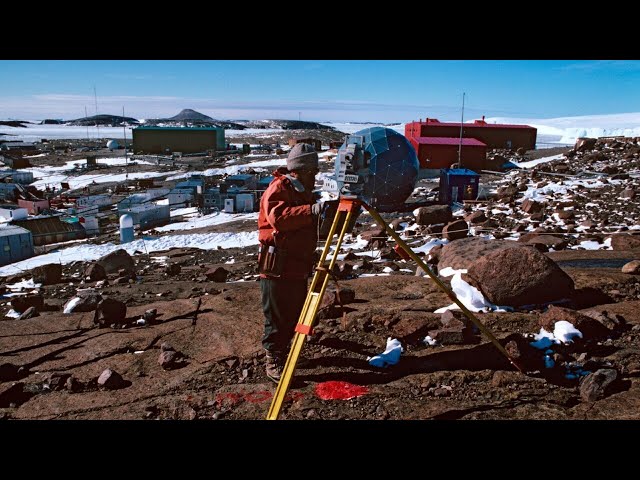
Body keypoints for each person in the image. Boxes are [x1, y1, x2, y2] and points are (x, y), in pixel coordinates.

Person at [258, 143, 324, 382]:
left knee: (295, 312)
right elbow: (279, 219)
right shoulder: (280, 187)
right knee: (277, 315)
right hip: (277, 265)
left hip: (296, 264)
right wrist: (311, 210)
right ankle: (273, 359)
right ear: (298, 169)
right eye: (311, 172)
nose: (314, 176)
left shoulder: (300, 190)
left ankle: (288, 353)